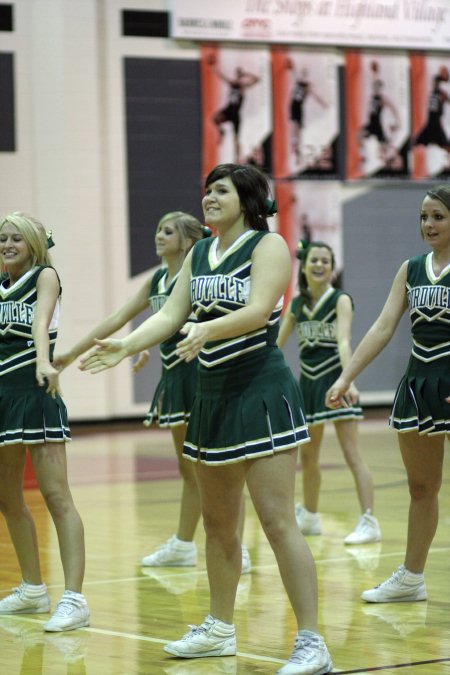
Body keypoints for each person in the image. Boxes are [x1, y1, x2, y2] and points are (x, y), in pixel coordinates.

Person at [79, 164, 333, 674]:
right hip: (211, 397)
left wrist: (207, 330)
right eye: (207, 191)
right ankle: (219, 628)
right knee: (218, 526)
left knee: (279, 523)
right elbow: (172, 315)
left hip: (260, 391)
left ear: (246, 198)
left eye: (221, 190)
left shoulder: (270, 246)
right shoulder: (199, 252)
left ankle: (311, 642)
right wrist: (126, 342)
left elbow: (261, 309)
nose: (210, 197)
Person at [52, 211, 251, 574]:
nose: (159, 235)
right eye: (158, 229)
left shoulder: (199, 274)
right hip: (175, 378)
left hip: (203, 374)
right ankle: (184, 543)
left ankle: (236, 543)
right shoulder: (158, 279)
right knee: (189, 469)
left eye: (168, 231)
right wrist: (70, 354)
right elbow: (117, 319)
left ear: (189, 240)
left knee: (218, 466)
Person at [326, 185, 450, 603]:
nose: (428, 224)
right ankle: (412, 578)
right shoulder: (412, 268)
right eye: (423, 217)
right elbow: (382, 326)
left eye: (438, 216)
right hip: (420, 385)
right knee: (421, 488)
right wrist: (346, 377)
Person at [0, 212, 89, 631]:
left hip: (37, 392)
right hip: (3, 399)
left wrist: (43, 361)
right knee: (7, 496)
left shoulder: (45, 276)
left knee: (57, 497)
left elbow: (39, 322)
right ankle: (33, 588)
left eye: (16, 238)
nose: (7, 245)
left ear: (34, 243)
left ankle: (74, 598)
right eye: (2, 239)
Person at [277, 240, 381, 545]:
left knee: (352, 454)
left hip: (335, 381)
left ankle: (369, 520)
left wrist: (349, 380)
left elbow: (343, 342)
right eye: (314, 260)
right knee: (309, 457)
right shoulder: (296, 304)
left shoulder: (340, 299)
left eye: (325, 260)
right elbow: (277, 344)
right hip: (307, 385)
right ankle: (309, 516)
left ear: (332, 268)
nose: (320, 265)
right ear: (305, 265)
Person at [209, 58, 260, 163]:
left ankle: (237, 158)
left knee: (236, 137)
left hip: (235, 113)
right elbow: (221, 76)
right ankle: (221, 131)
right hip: (229, 109)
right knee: (215, 118)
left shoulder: (242, 86)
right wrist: (213, 67)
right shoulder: (232, 83)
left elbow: (257, 79)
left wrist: (246, 74)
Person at [358, 60, 402, 171]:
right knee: (359, 135)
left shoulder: (382, 98)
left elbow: (393, 107)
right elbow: (374, 81)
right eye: (374, 87)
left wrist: (397, 120)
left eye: (377, 88)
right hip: (370, 123)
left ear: (380, 88)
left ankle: (391, 160)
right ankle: (363, 157)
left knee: (383, 145)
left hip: (377, 125)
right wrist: (375, 73)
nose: (375, 89)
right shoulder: (373, 95)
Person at [287, 63, 328, 167]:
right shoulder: (300, 82)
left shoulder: (306, 85)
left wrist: (322, 102)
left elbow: (314, 95)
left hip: (297, 107)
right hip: (294, 106)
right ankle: (294, 152)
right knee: (294, 130)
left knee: (297, 131)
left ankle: (297, 153)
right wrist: (292, 67)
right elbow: (295, 73)